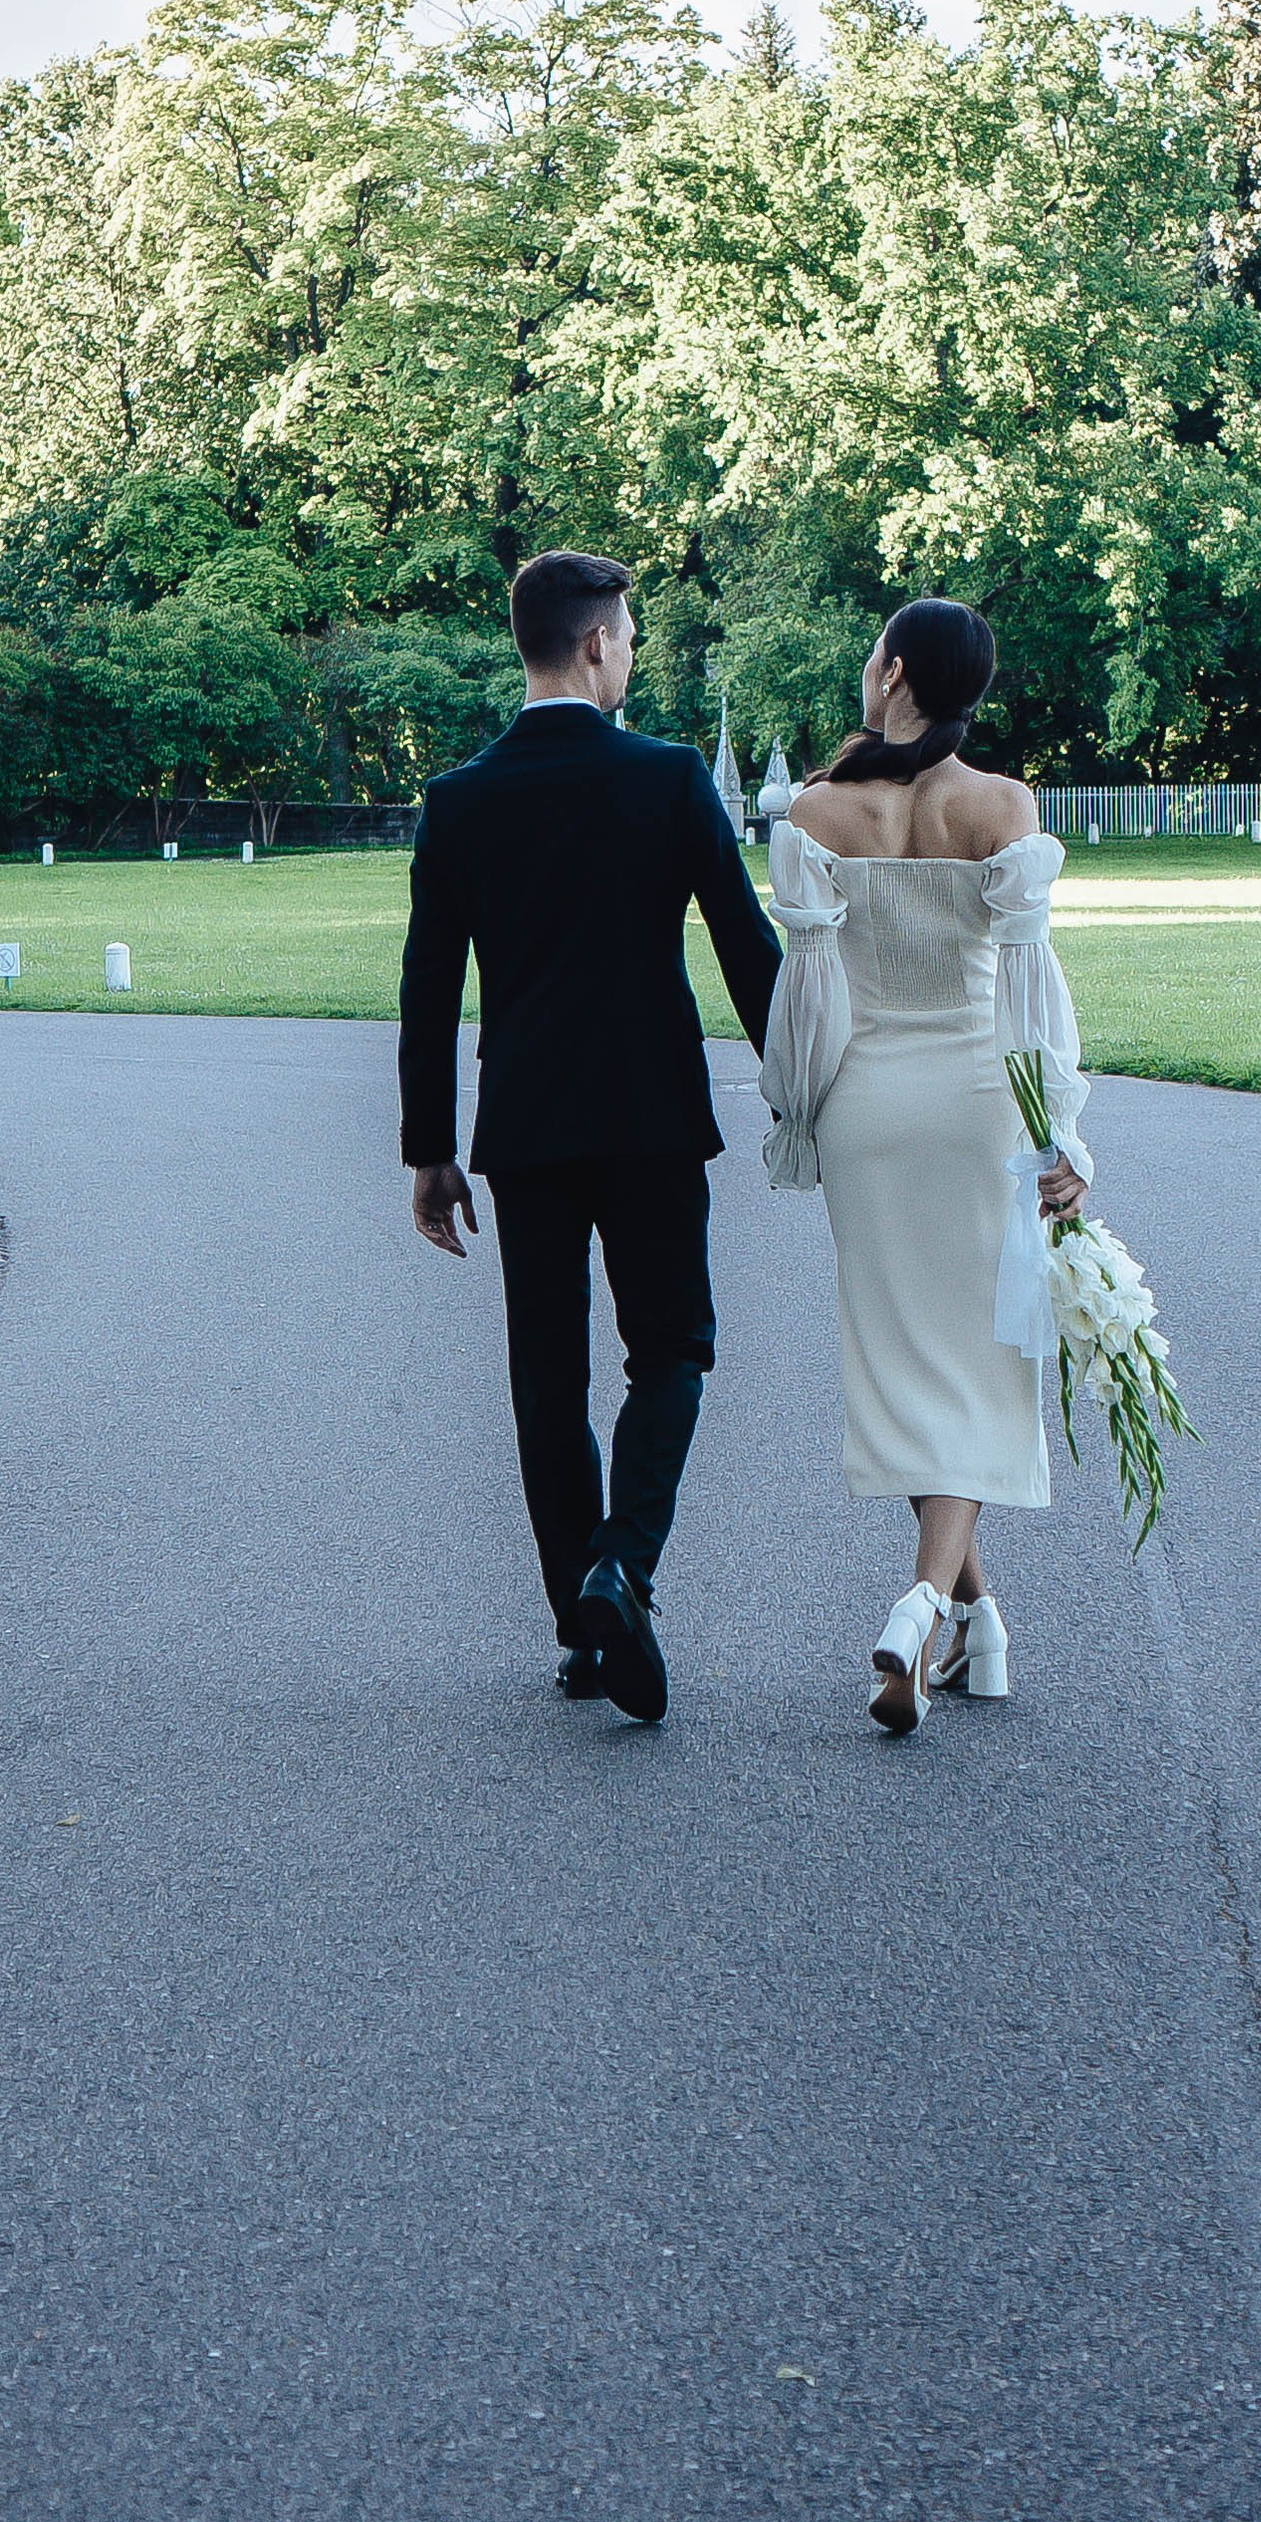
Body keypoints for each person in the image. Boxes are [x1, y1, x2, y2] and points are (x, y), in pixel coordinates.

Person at [399, 551, 780, 1724]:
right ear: (596, 645)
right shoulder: (668, 779)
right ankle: (625, 1565)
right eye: (628, 636)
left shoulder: (460, 800)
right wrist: (804, 1081)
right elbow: (743, 945)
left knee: (544, 1376)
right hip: (654, 1116)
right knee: (671, 1349)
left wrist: (430, 1147)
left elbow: (428, 986)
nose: (631, 653)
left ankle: (584, 1622)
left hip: (526, 1127)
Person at [758, 598, 1089, 1735]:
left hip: (867, 1110)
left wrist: (797, 1112)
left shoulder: (813, 810)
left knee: (906, 1358)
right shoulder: (1001, 806)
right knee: (968, 1365)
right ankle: (944, 1614)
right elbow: (1033, 1000)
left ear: (892, 669)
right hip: (979, 1110)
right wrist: (1059, 1136)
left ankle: (947, 1617)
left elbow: (806, 995)